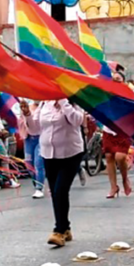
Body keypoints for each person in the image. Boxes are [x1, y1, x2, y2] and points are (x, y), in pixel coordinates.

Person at [31, 99, 85, 247]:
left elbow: (77, 120)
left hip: (71, 152)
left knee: (61, 190)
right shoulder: (43, 104)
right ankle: (65, 227)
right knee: (55, 192)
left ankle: (59, 231)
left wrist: (63, 102)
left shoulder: (73, 103)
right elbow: (34, 130)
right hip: (49, 153)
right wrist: (26, 114)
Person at [103, 68, 134, 199]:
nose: (115, 82)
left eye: (118, 80)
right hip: (108, 129)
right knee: (109, 157)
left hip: (123, 130)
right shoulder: (106, 94)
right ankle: (113, 187)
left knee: (120, 157)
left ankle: (125, 179)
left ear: (124, 82)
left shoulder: (128, 94)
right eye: (113, 80)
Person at [19, 100, 46, 199]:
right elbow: (25, 124)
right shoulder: (28, 106)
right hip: (29, 139)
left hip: (42, 138)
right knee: (28, 164)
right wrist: (25, 113)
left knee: (38, 163)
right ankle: (37, 184)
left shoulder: (46, 107)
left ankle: (39, 188)